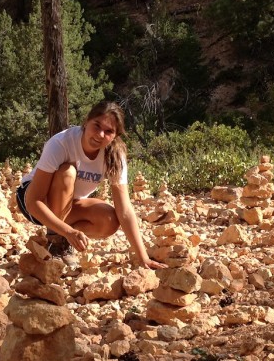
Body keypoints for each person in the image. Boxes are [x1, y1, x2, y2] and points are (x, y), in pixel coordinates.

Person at [16, 100, 165, 269]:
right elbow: (33, 201)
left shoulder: (114, 155)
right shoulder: (61, 143)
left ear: (115, 135)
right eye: (97, 126)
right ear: (86, 121)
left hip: (68, 204)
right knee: (67, 172)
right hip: (32, 201)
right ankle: (56, 240)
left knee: (109, 219)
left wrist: (143, 257)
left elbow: (124, 209)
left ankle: (62, 236)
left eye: (109, 131)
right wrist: (67, 231)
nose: (100, 135)